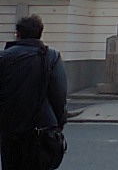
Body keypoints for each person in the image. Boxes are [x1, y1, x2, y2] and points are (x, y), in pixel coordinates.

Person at [0, 14, 68, 170]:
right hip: (42, 127)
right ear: (40, 33)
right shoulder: (51, 56)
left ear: (18, 33)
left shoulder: (3, 58)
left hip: (11, 128)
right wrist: (58, 122)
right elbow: (59, 94)